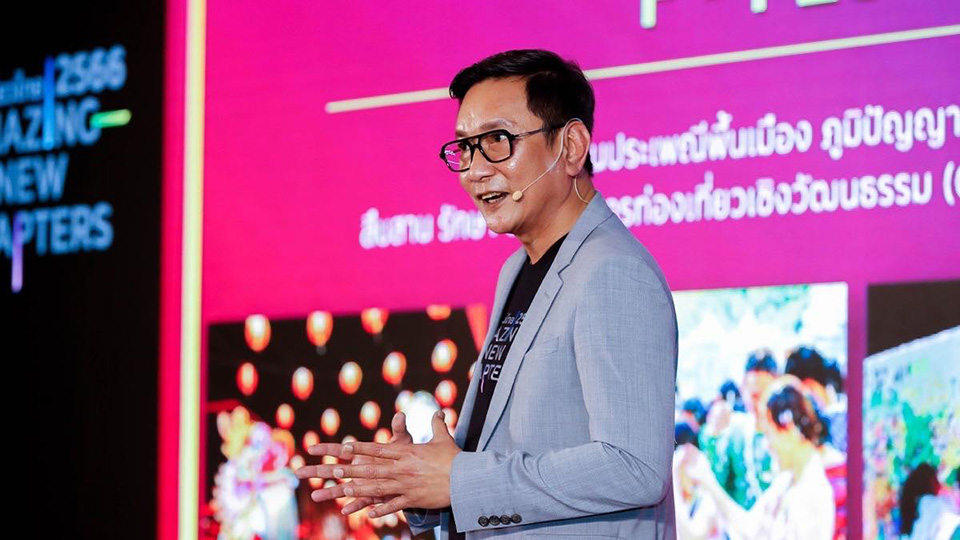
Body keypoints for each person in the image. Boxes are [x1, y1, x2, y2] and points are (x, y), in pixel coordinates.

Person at [296, 49, 679, 539]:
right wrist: (415, 481)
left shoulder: (613, 271)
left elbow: (633, 467)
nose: (474, 170)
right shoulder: (516, 269)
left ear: (572, 146)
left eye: (498, 140)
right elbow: (491, 462)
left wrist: (458, 480)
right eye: (465, 147)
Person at [688, 378, 836, 540]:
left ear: (789, 428)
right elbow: (750, 527)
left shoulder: (812, 489)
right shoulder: (787, 480)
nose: (767, 445)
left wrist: (709, 482)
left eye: (768, 434)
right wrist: (708, 482)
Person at [698, 349, 777, 509]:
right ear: (743, 389)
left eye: (766, 393)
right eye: (754, 395)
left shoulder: (787, 435)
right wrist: (713, 435)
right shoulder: (734, 432)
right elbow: (717, 480)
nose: (760, 403)